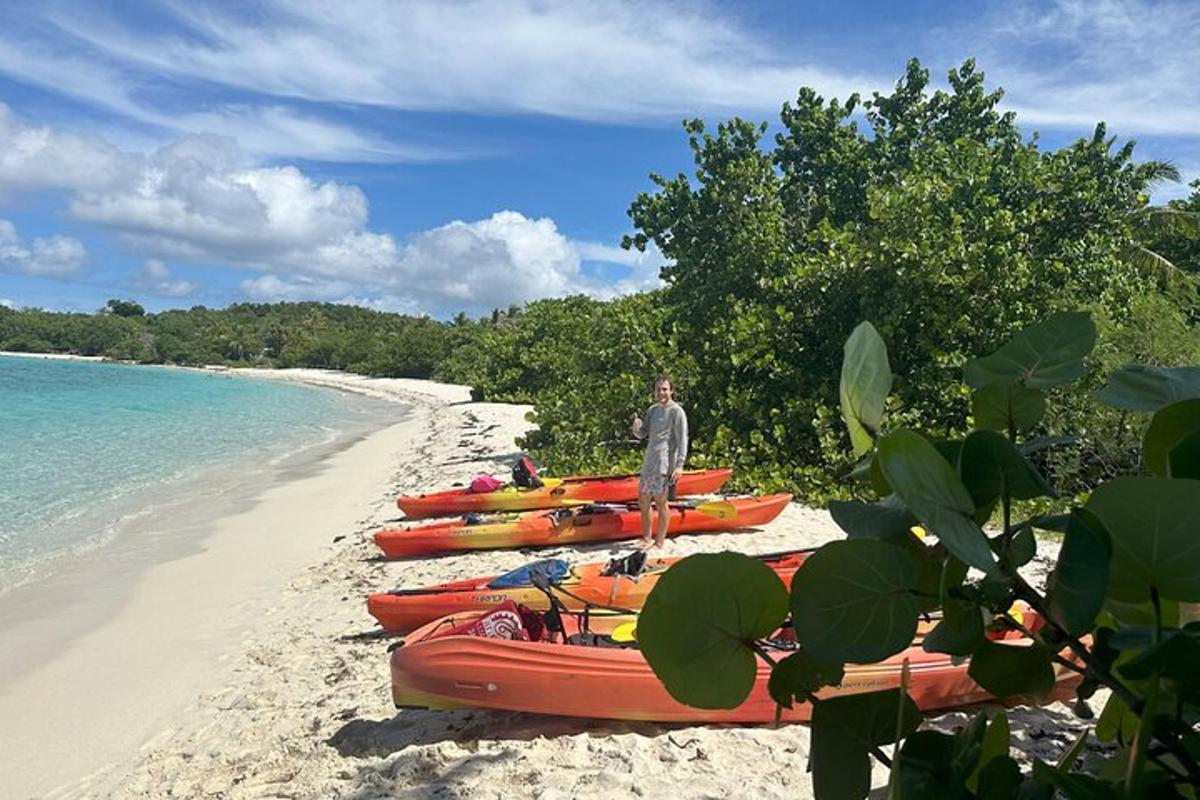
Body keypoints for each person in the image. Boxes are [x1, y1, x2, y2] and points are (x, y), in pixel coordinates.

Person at [631, 375, 688, 548]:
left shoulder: (677, 411)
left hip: (665, 463)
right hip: (649, 460)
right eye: (658, 389)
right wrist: (636, 427)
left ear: (671, 391)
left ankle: (660, 541)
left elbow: (682, 439)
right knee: (644, 500)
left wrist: (679, 465)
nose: (661, 392)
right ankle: (647, 537)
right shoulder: (652, 410)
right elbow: (642, 434)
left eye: (664, 389)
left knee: (661, 501)